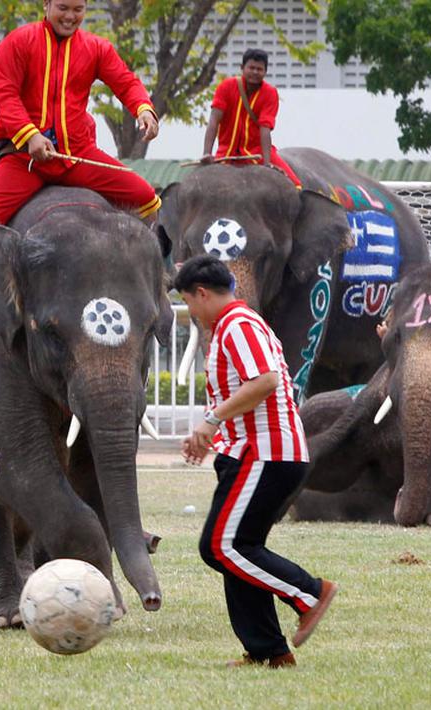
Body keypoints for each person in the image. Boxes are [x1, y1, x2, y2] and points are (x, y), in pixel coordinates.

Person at [0, 0, 161, 331]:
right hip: (22, 158)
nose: (71, 16)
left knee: (146, 199)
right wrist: (29, 136)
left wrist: (143, 109)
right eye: (63, 7)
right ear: (46, 4)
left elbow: (126, 82)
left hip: (76, 155)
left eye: (78, 9)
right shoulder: (16, 43)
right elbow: (6, 98)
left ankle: (141, 284)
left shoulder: (97, 48)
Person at [176, 255, 337, 668]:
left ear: (202, 293)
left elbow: (264, 381)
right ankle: (270, 651)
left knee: (220, 546)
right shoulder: (234, 324)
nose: (190, 312)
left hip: (267, 455)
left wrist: (211, 421)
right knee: (241, 549)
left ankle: (310, 593)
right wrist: (213, 435)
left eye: (188, 302)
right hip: (254, 454)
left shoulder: (237, 325)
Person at [200, 49, 301, 188]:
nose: (255, 72)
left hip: (258, 153)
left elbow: (265, 128)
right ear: (242, 68)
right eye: (251, 68)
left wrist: (266, 164)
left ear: (265, 72)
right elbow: (213, 121)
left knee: (295, 185)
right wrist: (207, 153)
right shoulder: (225, 87)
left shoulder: (270, 93)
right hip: (226, 153)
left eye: (259, 69)